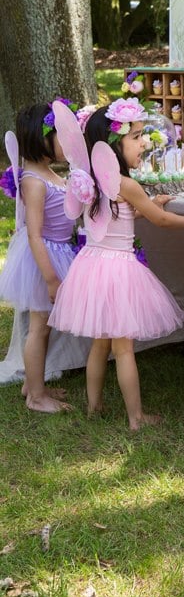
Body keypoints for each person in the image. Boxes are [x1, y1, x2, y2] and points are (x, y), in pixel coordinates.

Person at [48, 100, 184, 430]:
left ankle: (94, 407)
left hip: (91, 266)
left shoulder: (87, 180)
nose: (143, 143)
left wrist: (147, 203)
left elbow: (129, 209)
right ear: (113, 144)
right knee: (124, 348)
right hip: (118, 270)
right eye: (135, 136)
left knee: (99, 345)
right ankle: (136, 417)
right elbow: (159, 220)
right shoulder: (125, 184)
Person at [0, 102, 77, 412]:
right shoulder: (34, 181)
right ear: (42, 140)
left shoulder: (48, 173)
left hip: (57, 251)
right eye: (62, 136)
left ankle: (33, 384)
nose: (68, 142)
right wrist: (50, 278)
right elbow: (33, 234)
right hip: (43, 258)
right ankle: (36, 398)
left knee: (44, 328)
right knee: (39, 328)